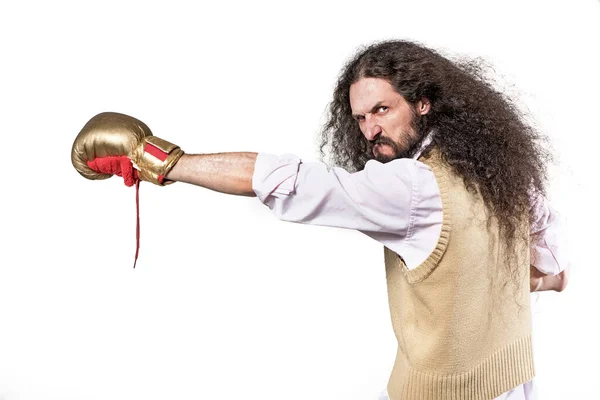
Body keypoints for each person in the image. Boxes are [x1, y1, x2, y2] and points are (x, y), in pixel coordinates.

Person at [71, 40, 569, 400]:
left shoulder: (412, 188)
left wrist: (157, 159)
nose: (371, 130)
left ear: (423, 102)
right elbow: (550, 267)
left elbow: (295, 182)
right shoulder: (497, 168)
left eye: (382, 110)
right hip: (514, 380)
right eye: (359, 118)